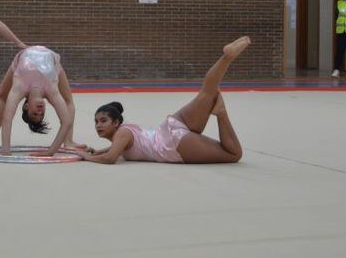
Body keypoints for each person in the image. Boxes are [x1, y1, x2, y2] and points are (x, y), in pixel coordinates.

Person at [78, 37, 249, 165]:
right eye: (96, 121)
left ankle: (221, 113)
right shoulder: (122, 135)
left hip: (171, 145)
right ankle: (226, 57)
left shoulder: (122, 134)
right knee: (206, 92)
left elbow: (110, 158)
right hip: (172, 124)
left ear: (116, 123)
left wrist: (87, 157)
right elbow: (113, 149)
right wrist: (95, 152)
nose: (98, 125)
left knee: (234, 155)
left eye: (103, 121)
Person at [0, 45, 83, 156]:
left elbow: (7, 119)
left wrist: (6, 151)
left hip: (22, 58)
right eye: (41, 114)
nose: (39, 111)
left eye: (34, 113)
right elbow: (66, 122)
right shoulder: (51, 91)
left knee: (1, 96)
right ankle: (68, 141)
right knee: (68, 100)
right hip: (51, 59)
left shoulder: (19, 88)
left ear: (26, 107)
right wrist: (50, 152)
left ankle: (68, 141)